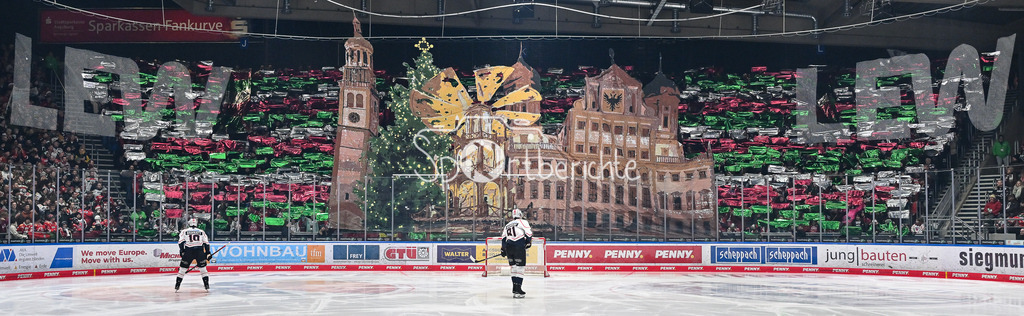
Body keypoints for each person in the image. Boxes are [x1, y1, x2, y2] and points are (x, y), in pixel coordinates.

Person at [501, 208, 532, 299]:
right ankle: (518, 289)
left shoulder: (507, 225)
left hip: (509, 247)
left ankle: (514, 289)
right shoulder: (523, 222)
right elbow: (529, 234)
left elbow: (503, 238)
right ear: (520, 215)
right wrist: (527, 242)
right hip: (518, 246)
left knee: (514, 267)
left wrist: (503, 249)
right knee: (520, 268)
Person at [175, 218, 211, 292]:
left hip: (189, 251)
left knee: (182, 269)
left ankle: (177, 286)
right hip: (199, 251)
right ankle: (206, 285)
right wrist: (208, 253)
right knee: (203, 269)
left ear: (189, 223)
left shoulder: (184, 231)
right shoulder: (201, 231)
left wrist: (182, 251)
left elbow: (180, 242)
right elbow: (206, 243)